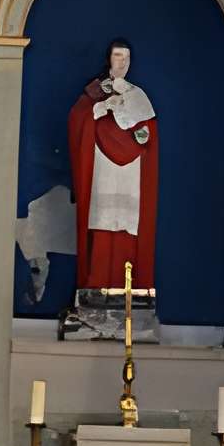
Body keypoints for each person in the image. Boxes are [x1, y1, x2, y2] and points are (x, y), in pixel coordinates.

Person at [67, 37, 159, 291]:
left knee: (128, 229)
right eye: (118, 56)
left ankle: (127, 289)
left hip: (130, 174)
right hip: (102, 168)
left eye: (127, 58)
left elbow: (147, 130)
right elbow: (78, 119)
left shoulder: (136, 94)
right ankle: (95, 286)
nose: (122, 62)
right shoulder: (96, 90)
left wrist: (137, 129)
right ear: (108, 58)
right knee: (100, 226)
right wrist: (102, 107)